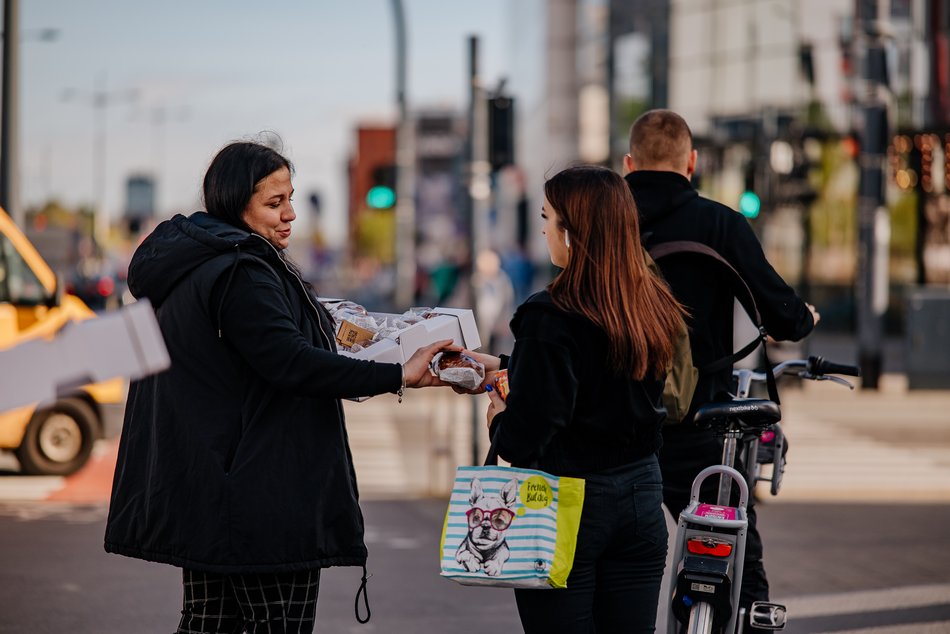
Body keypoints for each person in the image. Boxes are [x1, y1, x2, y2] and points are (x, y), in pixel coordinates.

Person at [104, 139, 455, 634]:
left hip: (214, 486)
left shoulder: (200, 263)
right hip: (261, 495)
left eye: (291, 198)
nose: (290, 214)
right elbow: (293, 365)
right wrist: (398, 374)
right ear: (234, 203)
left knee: (208, 622)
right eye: (274, 203)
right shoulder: (242, 271)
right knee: (275, 624)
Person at [466, 165, 688, 633]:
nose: (544, 229)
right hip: (641, 495)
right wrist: (507, 364)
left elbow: (526, 437)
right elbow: (604, 379)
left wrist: (498, 416)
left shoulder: (551, 315)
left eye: (548, 218)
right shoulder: (651, 303)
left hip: (566, 501)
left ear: (572, 233)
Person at [622, 109, 820, 629]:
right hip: (697, 421)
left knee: (618, 567)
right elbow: (782, 314)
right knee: (737, 554)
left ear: (628, 163)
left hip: (615, 428)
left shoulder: (606, 223)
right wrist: (803, 319)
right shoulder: (718, 223)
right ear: (691, 162)